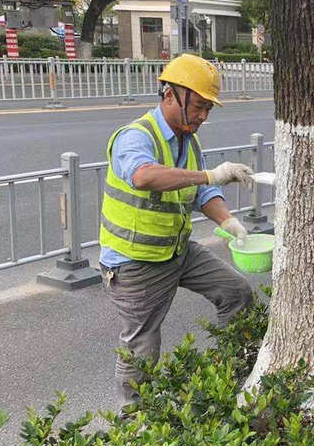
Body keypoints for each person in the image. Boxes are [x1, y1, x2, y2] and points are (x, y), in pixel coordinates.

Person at [98, 53, 257, 403]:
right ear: (170, 95)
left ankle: (227, 379)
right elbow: (143, 176)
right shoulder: (136, 136)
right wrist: (211, 174)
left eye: (208, 109)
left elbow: (203, 191)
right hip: (135, 262)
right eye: (198, 106)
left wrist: (229, 222)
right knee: (142, 345)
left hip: (177, 251)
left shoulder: (188, 139)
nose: (202, 116)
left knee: (237, 293)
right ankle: (133, 425)